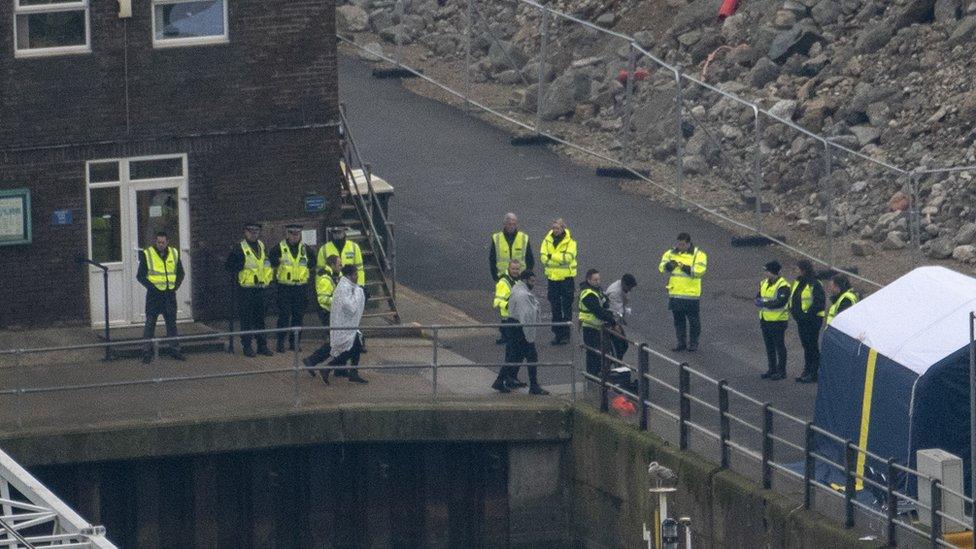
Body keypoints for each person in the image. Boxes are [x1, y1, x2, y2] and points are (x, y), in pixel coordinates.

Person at [494, 270, 550, 395]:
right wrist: (529, 335)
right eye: (532, 281)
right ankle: (533, 385)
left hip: (514, 326)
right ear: (525, 280)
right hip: (520, 329)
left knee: (514, 356)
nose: (533, 284)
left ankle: (500, 381)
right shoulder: (523, 294)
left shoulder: (517, 290)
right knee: (530, 356)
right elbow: (527, 315)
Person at [224, 222, 274, 357]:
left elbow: (266, 265)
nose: (253, 234)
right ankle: (247, 346)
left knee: (260, 319)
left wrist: (268, 281)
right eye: (250, 231)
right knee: (247, 319)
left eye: (256, 231)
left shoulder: (262, 246)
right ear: (245, 232)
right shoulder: (239, 248)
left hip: (260, 289)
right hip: (246, 290)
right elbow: (229, 266)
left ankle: (262, 345)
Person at [136, 231, 186, 364]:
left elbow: (180, 273)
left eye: (163, 242)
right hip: (154, 296)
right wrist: (152, 287)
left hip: (169, 295)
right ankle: (146, 352)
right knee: (150, 325)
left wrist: (175, 286)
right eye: (159, 242)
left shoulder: (174, 253)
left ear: (167, 242)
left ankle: (175, 350)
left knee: (171, 324)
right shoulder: (148, 254)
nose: (161, 245)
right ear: (155, 242)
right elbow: (140, 275)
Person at [658, 233, 707, 352]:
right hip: (675, 293)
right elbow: (661, 267)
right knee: (678, 320)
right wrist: (669, 266)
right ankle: (681, 342)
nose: (680, 246)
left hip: (691, 294)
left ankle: (693, 343)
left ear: (689, 243)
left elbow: (699, 271)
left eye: (683, 244)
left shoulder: (698, 255)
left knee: (694, 321)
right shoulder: (670, 253)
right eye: (679, 244)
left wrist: (683, 267)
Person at [270, 224, 315, 352]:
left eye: (297, 234)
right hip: (284, 288)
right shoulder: (279, 248)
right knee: (284, 316)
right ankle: (280, 343)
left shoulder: (305, 249)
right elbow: (271, 260)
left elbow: (313, 262)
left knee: (298, 317)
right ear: (287, 234)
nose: (295, 236)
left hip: (301, 288)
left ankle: (294, 343)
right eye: (292, 234)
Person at [489, 213, 534, 343]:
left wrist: (527, 275)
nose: (512, 226)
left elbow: (529, 258)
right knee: (504, 307)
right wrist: (495, 276)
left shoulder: (523, 238)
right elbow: (492, 258)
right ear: (504, 224)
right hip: (504, 279)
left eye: (514, 224)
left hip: (519, 278)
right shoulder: (497, 238)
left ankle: (520, 334)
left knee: (521, 306)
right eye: (509, 224)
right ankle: (505, 335)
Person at [322, 264, 368, 384]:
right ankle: (329, 367)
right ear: (349, 275)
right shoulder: (344, 288)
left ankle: (352, 373)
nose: (357, 276)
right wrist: (359, 293)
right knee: (352, 349)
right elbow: (350, 308)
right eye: (355, 274)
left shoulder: (347, 286)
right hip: (345, 326)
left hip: (349, 326)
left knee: (356, 347)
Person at [302, 255, 342, 377]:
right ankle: (312, 360)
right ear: (332, 265)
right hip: (328, 314)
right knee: (335, 342)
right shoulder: (325, 278)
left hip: (333, 314)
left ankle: (340, 369)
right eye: (339, 264)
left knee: (338, 341)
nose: (341, 266)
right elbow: (323, 299)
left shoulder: (334, 276)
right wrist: (338, 301)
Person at [540, 218, 577, 345]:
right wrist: (556, 258)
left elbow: (568, 258)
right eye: (554, 228)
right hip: (553, 279)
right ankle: (557, 334)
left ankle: (566, 334)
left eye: (557, 228)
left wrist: (552, 256)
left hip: (566, 279)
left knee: (566, 307)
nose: (555, 230)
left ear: (563, 229)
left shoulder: (570, 242)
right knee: (555, 307)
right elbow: (543, 258)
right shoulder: (547, 240)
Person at [492, 260, 527, 391]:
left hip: (518, 320)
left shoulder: (518, 282)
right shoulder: (503, 282)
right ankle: (500, 380)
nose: (516, 271)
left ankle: (512, 377)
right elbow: (497, 301)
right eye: (513, 269)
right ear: (509, 269)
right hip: (508, 321)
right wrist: (509, 305)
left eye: (518, 269)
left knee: (519, 351)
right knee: (512, 353)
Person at [790, 260, 826, 383]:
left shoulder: (815, 283)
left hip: (812, 320)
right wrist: (796, 314)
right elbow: (793, 299)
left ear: (803, 270)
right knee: (806, 346)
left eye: (797, 268)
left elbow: (819, 303)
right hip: (801, 320)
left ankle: (813, 372)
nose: (795, 270)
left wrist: (805, 315)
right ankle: (807, 370)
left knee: (812, 346)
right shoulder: (798, 282)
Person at [755, 261, 791, 380]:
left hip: (778, 321)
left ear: (773, 272)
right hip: (765, 319)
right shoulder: (763, 283)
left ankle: (781, 371)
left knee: (779, 346)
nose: (765, 273)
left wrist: (764, 303)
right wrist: (758, 300)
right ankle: (772, 369)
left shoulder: (783, 286)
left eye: (767, 271)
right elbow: (759, 296)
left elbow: (780, 302)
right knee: (769, 346)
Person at [578, 269, 617, 377]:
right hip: (590, 327)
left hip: (597, 327)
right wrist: (611, 320)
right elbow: (598, 311)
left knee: (598, 353)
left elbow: (604, 304)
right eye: (595, 280)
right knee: (593, 354)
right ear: (588, 280)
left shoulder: (596, 290)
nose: (598, 282)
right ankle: (593, 377)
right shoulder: (588, 294)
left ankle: (597, 376)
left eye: (599, 279)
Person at [605, 274, 637, 359]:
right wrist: (617, 325)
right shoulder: (615, 293)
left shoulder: (622, 287)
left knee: (622, 345)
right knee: (620, 346)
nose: (630, 290)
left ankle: (614, 362)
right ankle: (615, 363)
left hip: (615, 320)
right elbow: (616, 311)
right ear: (624, 283)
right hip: (612, 322)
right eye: (629, 287)